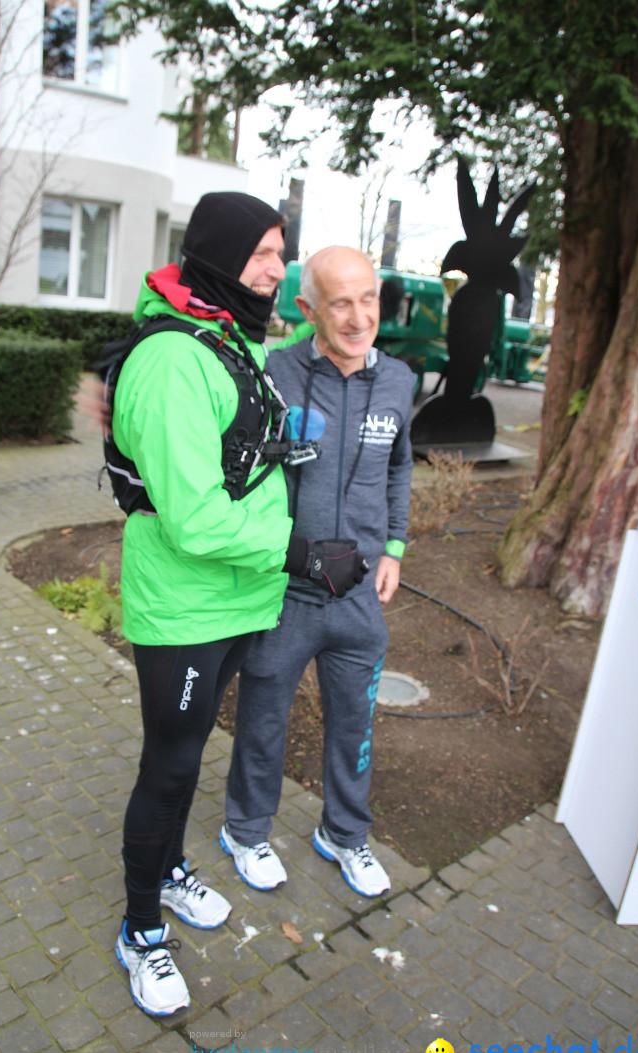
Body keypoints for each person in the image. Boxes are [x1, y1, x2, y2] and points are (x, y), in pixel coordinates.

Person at [109, 194, 367, 1017]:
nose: (275, 267)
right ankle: (140, 928)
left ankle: (172, 869)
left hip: (232, 600)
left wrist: (331, 323)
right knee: (171, 764)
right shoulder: (172, 359)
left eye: (282, 252)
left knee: (187, 754)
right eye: (261, 250)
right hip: (186, 605)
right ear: (219, 253)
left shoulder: (223, 336)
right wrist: (300, 556)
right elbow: (191, 518)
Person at [221, 246, 415, 898]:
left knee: (355, 724)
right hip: (286, 594)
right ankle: (245, 830)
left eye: (370, 300)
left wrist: (394, 546)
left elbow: (399, 467)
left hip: (358, 597)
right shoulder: (273, 372)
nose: (360, 318)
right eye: (340, 302)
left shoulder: (398, 380)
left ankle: (344, 834)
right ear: (307, 309)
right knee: (263, 720)